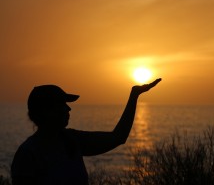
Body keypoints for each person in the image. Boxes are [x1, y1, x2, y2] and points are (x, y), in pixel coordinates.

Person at [11, 78, 161, 185]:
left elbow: (118, 137)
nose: (68, 108)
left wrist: (134, 96)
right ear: (46, 111)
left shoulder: (72, 140)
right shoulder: (28, 154)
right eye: (62, 104)